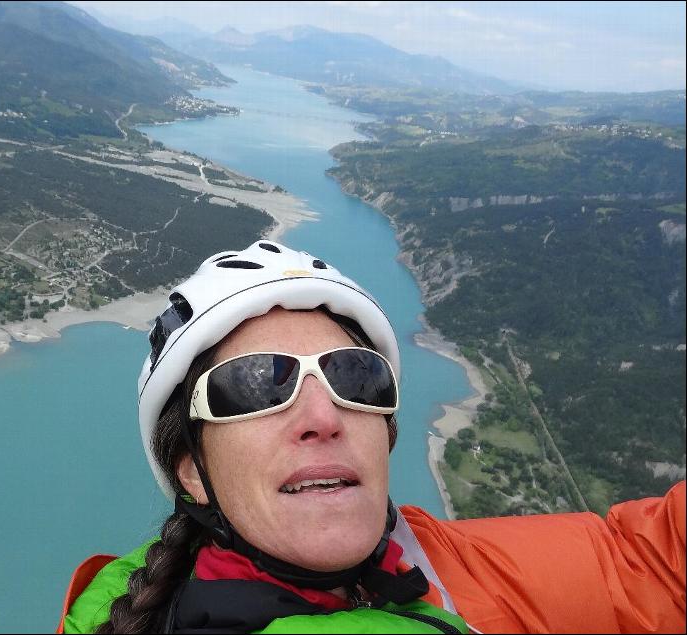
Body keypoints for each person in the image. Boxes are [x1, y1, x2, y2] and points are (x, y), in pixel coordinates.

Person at [59, 240, 686, 634]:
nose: (323, 418)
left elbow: (658, 561)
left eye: (356, 378)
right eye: (254, 386)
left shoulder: (454, 568)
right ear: (193, 469)